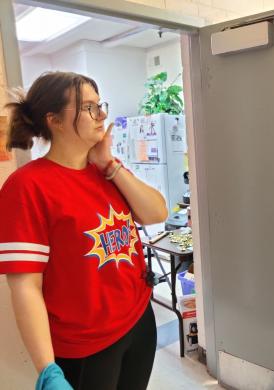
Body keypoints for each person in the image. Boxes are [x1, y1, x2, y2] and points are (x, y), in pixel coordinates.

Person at [0, 72, 168, 389]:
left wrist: (109, 164)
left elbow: (156, 212)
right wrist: (47, 368)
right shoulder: (27, 187)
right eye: (89, 107)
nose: (102, 114)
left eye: (99, 104)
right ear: (55, 120)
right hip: (86, 346)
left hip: (138, 320)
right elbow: (25, 287)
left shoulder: (105, 171)